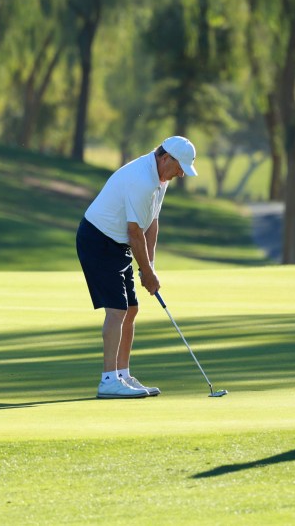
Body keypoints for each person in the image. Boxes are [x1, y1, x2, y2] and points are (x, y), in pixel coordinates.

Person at [76, 136, 197, 399]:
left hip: (118, 243)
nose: (181, 174)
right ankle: (108, 380)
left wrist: (149, 267)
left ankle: (122, 375)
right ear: (166, 158)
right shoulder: (142, 181)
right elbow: (134, 232)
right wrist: (147, 272)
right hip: (97, 239)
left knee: (131, 308)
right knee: (118, 309)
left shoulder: (160, 179)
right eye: (179, 167)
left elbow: (151, 222)